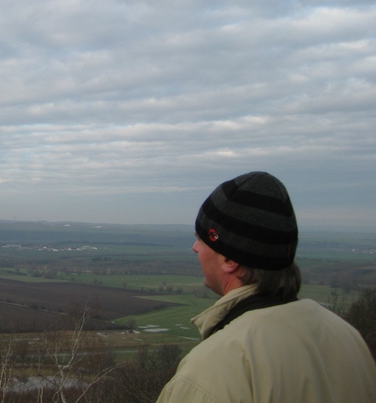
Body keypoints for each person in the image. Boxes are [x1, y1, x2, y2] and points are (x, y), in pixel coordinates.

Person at [156, 171, 376, 403]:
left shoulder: (213, 370)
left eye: (201, 239)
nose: (195, 248)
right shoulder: (349, 339)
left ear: (230, 260)